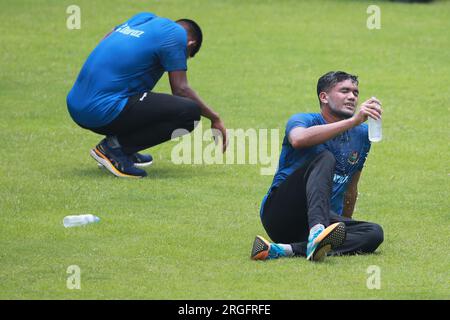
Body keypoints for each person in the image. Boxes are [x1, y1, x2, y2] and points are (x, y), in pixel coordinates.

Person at [67, 12, 227, 178]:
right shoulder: (177, 36)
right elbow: (180, 90)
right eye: (186, 56)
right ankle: (115, 148)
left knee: (147, 97)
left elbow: (107, 39)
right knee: (190, 112)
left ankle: (126, 148)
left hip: (77, 103)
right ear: (190, 44)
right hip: (100, 111)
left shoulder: (143, 19)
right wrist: (215, 118)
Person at [251, 71, 384, 262]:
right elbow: (298, 140)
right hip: (281, 214)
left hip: (321, 216)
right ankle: (316, 234)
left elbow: (351, 188)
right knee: (325, 158)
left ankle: (284, 250)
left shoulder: (362, 135)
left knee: (373, 233)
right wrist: (352, 121)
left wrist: (344, 224)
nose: (352, 97)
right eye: (345, 91)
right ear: (324, 97)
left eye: (355, 92)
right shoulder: (303, 120)